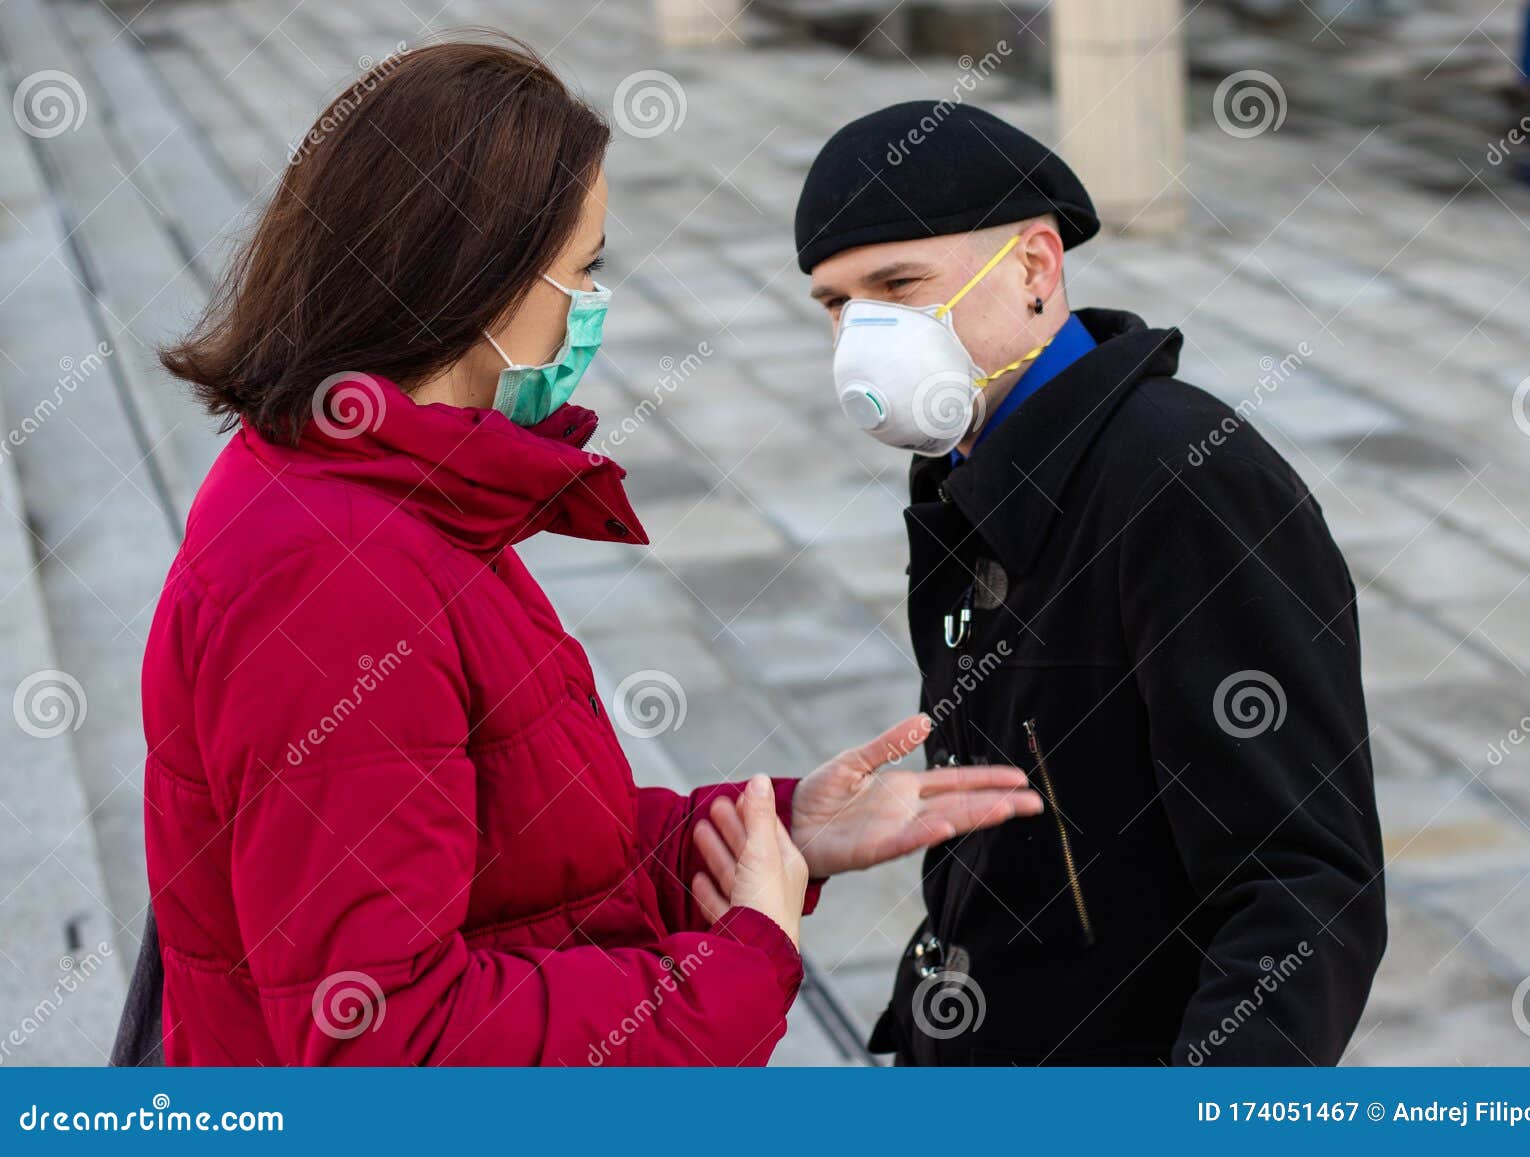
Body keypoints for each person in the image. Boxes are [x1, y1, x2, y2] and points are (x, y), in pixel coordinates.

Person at [117, 41, 1042, 1067]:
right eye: (585, 267)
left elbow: (515, 856)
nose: (594, 302)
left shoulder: (393, 487)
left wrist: (774, 828)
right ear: (480, 280)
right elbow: (388, 1046)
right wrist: (742, 958)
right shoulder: (338, 579)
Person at [788, 102, 1387, 1065]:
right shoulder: (962, 458)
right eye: (837, 305)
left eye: (899, 285)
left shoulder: (1183, 474)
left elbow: (1304, 886)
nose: (862, 337)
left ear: (1034, 267)